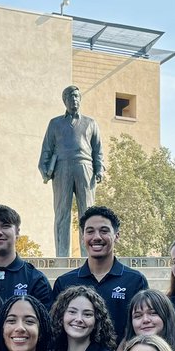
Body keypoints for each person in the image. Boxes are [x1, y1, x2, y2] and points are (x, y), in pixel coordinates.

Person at [51, 207, 149, 341]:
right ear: (83, 237)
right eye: (90, 231)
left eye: (104, 231)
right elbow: (56, 328)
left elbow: (143, 325)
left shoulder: (135, 281)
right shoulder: (65, 282)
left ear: (116, 236)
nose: (96, 237)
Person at [38, 86, 105, 258]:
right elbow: (47, 149)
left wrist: (99, 168)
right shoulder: (55, 123)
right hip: (61, 168)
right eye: (70, 97)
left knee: (88, 213)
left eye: (76, 96)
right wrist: (44, 168)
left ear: (80, 100)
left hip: (85, 167)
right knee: (61, 212)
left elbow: (98, 150)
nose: (74, 100)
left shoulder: (90, 123)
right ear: (65, 101)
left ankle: (88, 255)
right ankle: (62, 255)